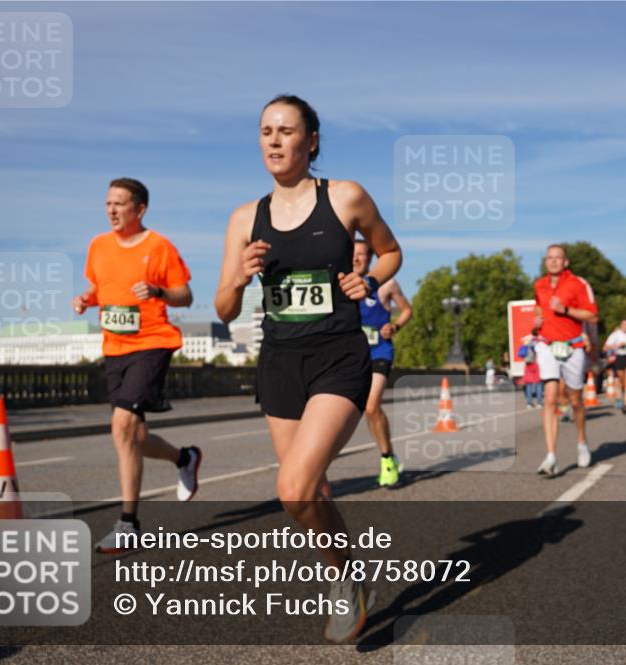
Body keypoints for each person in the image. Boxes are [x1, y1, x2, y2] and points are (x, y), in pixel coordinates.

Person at [214, 95, 401, 644]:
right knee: (312, 490)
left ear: (311, 141)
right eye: (265, 131)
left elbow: (390, 252)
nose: (274, 140)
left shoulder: (345, 197)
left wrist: (367, 281)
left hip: (338, 357)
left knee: (293, 489)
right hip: (279, 363)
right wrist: (239, 279)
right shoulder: (244, 218)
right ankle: (350, 574)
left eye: (286, 130)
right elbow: (223, 310)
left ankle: (343, 582)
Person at [73, 178, 202, 553]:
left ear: (140, 209)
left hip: (152, 343)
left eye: (119, 204)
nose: (111, 210)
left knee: (122, 427)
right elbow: (104, 288)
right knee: (135, 437)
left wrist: (159, 291)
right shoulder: (98, 246)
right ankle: (185, 457)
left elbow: (186, 295)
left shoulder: (159, 246)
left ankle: (128, 523)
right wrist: (86, 299)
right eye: (108, 203)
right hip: (115, 348)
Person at [532, 244, 598, 476]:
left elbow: (592, 314)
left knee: (576, 400)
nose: (553, 261)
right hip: (547, 345)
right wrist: (536, 321)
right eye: (549, 257)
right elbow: (538, 308)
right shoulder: (539, 284)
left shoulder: (578, 284)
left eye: (557, 258)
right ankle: (551, 456)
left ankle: (581, 441)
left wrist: (566, 309)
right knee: (550, 398)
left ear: (565, 262)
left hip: (572, 346)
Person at [353, 239, 412, 488]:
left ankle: (387, 458)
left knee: (371, 406)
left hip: (380, 351)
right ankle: (389, 454)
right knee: (361, 411)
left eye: (361, 255)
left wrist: (395, 326)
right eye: (352, 255)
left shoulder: (386, 284)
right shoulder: (341, 285)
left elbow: (407, 309)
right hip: (354, 354)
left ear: (371, 259)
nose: (356, 259)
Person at [603, 319, 626, 415]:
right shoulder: (615, 334)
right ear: (621, 325)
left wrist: (621, 344)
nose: (625, 326)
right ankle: (621, 395)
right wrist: (614, 347)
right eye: (624, 324)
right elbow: (606, 347)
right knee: (621, 381)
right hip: (619, 358)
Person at [519, 330, 544, 408]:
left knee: (529, 385)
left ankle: (529, 403)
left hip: (528, 364)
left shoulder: (527, 340)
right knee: (539, 384)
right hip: (537, 364)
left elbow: (522, 348)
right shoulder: (540, 340)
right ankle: (539, 403)